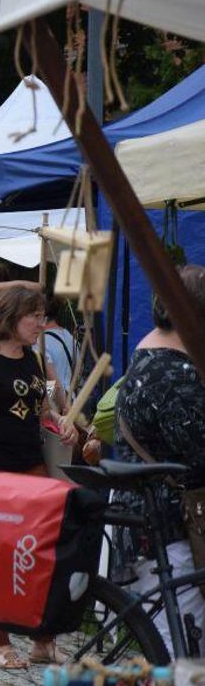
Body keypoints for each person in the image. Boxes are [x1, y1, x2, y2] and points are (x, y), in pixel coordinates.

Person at [0, 287, 77, 668]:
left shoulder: (32, 359)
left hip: (29, 463)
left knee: (43, 550)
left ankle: (43, 639)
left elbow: (37, 407)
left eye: (42, 316)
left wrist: (60, 422)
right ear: (10, 317)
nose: (41, 324)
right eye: (34, 317)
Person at [115, 265, 205, 653]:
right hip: (168, 530)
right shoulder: (173, 373)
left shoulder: (151, 354)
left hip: (151, 524)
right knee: (185, 655)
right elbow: (200, 454)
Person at [41, 294, 76, 398]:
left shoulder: (41, 342)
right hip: (72, 398)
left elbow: (51, 381)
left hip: (56, 403)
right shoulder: (69, 336)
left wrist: (47, 403)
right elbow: (79, 368)